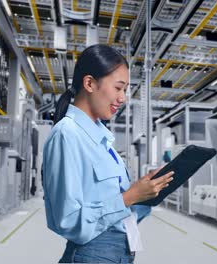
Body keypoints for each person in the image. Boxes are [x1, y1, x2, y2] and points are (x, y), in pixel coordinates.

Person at [42, 44, 174, 263]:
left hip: (120, 252)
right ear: (90, 83)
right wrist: (129, 197)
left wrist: (147, 193)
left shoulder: (104, 141)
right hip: (92, 254)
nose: (123, 98)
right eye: (118, 88)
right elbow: (68, 221)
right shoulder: (67, 135)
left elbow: (117, 211)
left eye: (125, 90)